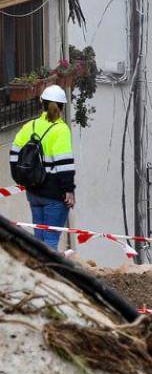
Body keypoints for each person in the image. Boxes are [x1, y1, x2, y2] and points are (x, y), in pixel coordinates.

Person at [9, 86, 75, 253]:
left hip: (33, 193)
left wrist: (19, 178)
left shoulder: (30, 126)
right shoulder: (60, 130)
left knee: (39, 240)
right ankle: (49, 274)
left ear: (42, 104)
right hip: (54, 195)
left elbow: (14, 153)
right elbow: (64, 163)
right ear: (61, 107)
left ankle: (38, 270)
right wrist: (68, 189)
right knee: (51, 240)